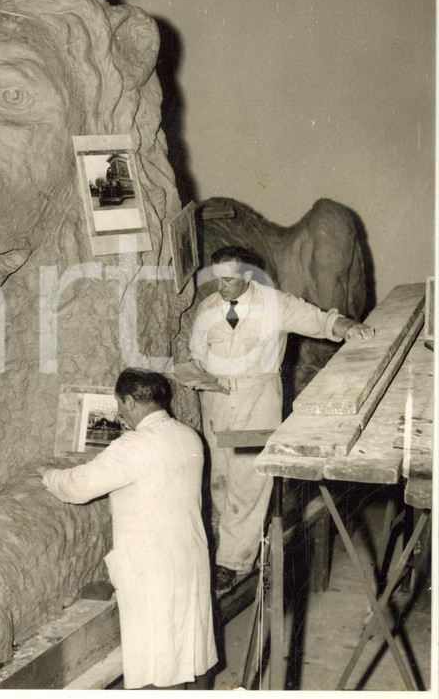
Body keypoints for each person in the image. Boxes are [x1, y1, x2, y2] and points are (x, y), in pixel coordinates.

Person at [189, 245, 374, 592]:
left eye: (228, 279)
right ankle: (222, 550)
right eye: (217, 279)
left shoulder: (275, 304)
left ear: (247, 276)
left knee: (248, 481)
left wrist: (348, 326)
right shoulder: (206, 309)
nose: (221, 286)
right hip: (214, 400)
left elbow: (320, 320)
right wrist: (195, 373)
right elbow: (197, 352)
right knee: (220, 479)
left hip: (257, 398)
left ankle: (232, 563)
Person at [40, 369, 217, 690]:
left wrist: (47, 475)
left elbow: (78, 487)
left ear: (131, 401)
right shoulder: (190, 437)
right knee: (191, 641)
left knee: (158, 657)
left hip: (153, 566)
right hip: (188, 554)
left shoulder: (133, 446)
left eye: (120, 404)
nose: (120, 412)